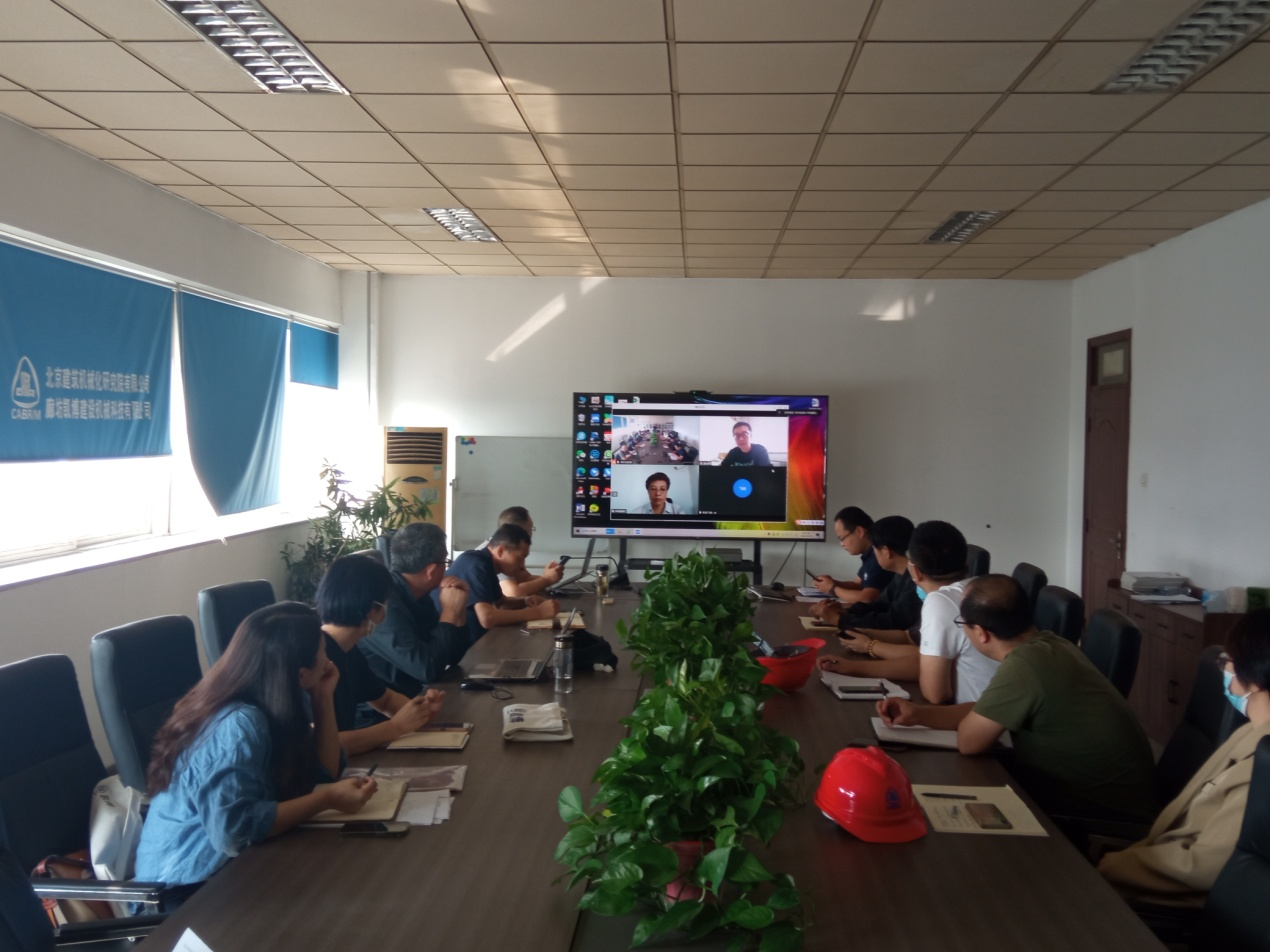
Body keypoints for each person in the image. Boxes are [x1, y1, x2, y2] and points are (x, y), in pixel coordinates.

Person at [134, 603, 378, 888]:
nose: (328, 660)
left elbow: (324, 773)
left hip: (245, 865)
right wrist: (326, 799)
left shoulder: (282, 695)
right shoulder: (237, 724)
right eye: (324, 651)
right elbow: (234, 832)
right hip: (185, 888)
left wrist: (322, 698)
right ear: (300, 673)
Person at [877, 574, 1156, 820]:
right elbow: (986, 710)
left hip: (1098, 806)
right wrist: (917, 714)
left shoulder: (1024, 667)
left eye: (963, 624)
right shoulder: (1049, 645)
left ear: (981, 633)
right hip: (1102, 790)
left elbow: (969, 742)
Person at [1099, 608, 1270, 905]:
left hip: (1183, 900)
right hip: (1159, 861)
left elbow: (1204, 866)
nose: (1225, 671)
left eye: (1227, 662)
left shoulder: (1263, 765)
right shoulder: (1251, 731)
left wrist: (1110, 865)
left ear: (1254, 679)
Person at [315, 553, 446, 755]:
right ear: (373, 607)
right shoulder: (315, 656)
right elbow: (321, 746)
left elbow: (385, 700)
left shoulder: (349, 651)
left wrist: (421, 712)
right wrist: (395, 727)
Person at [359, 522, 473, 696]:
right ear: (431, 570)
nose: (447, 569)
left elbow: (452, 656)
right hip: (384, 706)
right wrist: (449, 613)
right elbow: (427, 670)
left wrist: (459, 611)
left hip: (414, 695)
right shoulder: (383, 603)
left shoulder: (419, 595)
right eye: (445, 562)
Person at [441, 522, 559, 637]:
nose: (522, 566)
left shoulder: (487, 563)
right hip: (450, 640)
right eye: (520, 558)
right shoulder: (476, 564)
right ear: (501, 551)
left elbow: (501, 603)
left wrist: (525, 601)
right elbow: (487, 618)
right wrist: (538, 613)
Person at [811, 515, 921, 633]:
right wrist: (845, 612)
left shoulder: (917, 582)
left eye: (875, 549)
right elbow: (879, 605)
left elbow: (893, 622)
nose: (874, 554)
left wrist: (838, 620)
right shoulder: (900, 575)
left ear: (886, 551)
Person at [810, 507, 894, 606]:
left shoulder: (879, 557)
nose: (841, 544)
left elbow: (867, 598)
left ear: (859, 531)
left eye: (842, 538)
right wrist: (831, 583)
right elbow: (857, 585)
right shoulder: (868, 555)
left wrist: (832, 588)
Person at [491, 506, 565, 598]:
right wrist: (546, 580)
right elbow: (512, 593)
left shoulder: (513, 549)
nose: (531, 534)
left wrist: (551, 576)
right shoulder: (501, 552)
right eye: (530, 529)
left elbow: (525, 578)